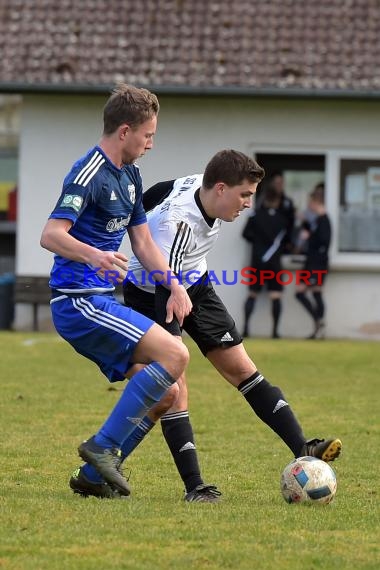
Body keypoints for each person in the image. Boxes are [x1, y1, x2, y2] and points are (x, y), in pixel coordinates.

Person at [76, 150, 342, 501]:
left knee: (242, 369)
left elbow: (155, 192)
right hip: (154, 292)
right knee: (175, 384)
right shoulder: (178, 226)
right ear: (220, 188)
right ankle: (194, 486)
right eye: (244, 195)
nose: (249, 203)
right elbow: (164, 286)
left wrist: (134, 215)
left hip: (195, 285)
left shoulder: (195, 185)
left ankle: (303, 446)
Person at [40, 83, 193, 499]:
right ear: (125, 131)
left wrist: (174, 286)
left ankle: (92, 477)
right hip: (78, 302)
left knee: (167, 391)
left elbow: (143, 243)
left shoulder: (130, 175)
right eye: (148, 135)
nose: (151, 145)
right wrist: (95, 256)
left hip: (100, 301)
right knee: (176, 355)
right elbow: (51, 235)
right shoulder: (87, 172)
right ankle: (102, 447)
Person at [241, 183, 291, 339]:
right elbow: (288, 240)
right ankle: (275, 332)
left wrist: (258, 243)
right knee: (275, 295)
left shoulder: (255, 215)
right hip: (274, 263)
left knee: (252, 293)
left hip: (257, 261)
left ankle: (246, 329)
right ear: (277, 201)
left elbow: (245, 234)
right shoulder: (283, 219)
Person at [295, 184, 331, 339]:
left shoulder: (324, 220)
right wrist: (305, 223)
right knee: (305, 293)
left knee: (312, 292)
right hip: (311, 261)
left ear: (317, 203)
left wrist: (310, 237)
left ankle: (319, 324)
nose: (309, 206)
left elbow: (323, 240)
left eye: (311, 203)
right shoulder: (317, 220)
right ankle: (319, 325)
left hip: (317, 263)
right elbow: (311, 231)